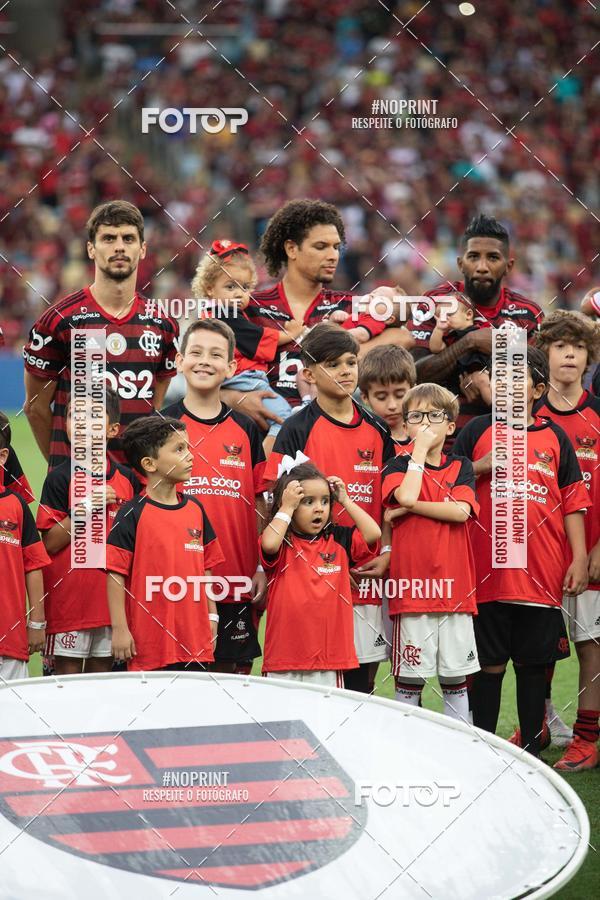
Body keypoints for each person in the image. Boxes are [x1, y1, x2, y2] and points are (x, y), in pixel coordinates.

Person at [454, 347, 590, 758]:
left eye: (518, 378)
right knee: (488, 667)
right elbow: (446, 481)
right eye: (499, 378)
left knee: (533, 669)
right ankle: (484, 749)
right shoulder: (475, 430)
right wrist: (478, 468)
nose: (507, 385)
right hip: (485, 576)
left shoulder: (555, 437)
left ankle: (530, 751)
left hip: (541, 575)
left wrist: (580, 557)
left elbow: (572, 501)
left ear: (538, 389)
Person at [263, 323, 395, 693]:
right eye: (333, 364)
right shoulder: (296, 428)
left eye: (351, 362)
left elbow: (388, 502)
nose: (345, 371)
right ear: (308, 373)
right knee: (311, 672)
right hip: (313, 569)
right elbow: (274, 500)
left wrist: (385, 550)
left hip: (364, 562)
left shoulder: (376, 427)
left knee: (362, 668)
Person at [220, 198, 406, 431]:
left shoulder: (349, 305)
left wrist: (334, 355)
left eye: (336, 247)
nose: (333, 256)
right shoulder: (250, 306)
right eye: (321, 247)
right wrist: (230, 398)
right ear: (291, 249)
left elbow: (403, 337)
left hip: (331, 433)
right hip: (265, 435)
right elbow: (209, 362)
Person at [23, 200, 179, 469]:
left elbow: (152, 407)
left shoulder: (163, 324)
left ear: (142, 250)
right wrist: (64, 469)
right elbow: (35, 408)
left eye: (128, 238)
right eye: (108, 238)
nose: (119, 246)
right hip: (78, 488)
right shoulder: (59, 320)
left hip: (137, 487)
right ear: (91, 249)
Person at [162, 318, 267, 676]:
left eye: (216, 354)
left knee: (232, 684)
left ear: (231, 367)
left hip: (235, 579)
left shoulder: (247, 429)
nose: (205, 361)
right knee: (180, 682)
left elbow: (260, 502)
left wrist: (259, 568)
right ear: (179, 360)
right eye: (196, 352)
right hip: (176, 583)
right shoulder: (162, 427)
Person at [381, 384, 480, 721]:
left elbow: (461, 512)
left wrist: (412, 510)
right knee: (411, 680)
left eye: (435, 416)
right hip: (412, 591)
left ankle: (462, 747)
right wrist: (418, 453)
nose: (425, 424)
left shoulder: (461, 466)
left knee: (455, 679)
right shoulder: (396, 466)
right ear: (406, 425)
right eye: (417, 417)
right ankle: (405, 749)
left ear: (451, 426)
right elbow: (405, 495)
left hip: (455, 591)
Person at [407, 214, 543, 443]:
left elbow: (536, 386)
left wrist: (482, 378)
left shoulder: (528, 313)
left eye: (492, 258)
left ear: (508, 265)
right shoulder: (434, 302)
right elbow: (415, 374)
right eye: (473, 257)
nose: (482, 267)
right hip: (439, 443)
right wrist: (470, 342)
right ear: (461, 263)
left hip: (505, 443)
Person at [36, 387, 141, 675]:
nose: (81, 421)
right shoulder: (59, 479)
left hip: (112, 610)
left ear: (112, 429)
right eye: (73, 415)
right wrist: (83, 510)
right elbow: (48, 544)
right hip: (68, 608)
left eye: (93, 415)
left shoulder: (128, 480)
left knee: (104, 693)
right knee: (64, 692)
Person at [535, 311, 600, 770]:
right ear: (545, 354)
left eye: (578, 347)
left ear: (589, 358)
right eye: (560, 346)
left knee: (591, 643)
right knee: (540, 644)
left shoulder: (599, 413)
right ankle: (536, 724)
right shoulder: (530, 416)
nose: (570, 353)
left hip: (591, 553)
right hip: (539, 557)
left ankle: (586, 737)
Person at [106, 416, 224, 671]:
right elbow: (115, 574)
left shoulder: (196, 508)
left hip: (194, 640)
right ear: (149, 463)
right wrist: (120, 629)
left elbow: (207, 567)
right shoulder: (131, 514)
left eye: (189, 448)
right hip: (148, 646)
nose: (190, 456)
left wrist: (212, 614)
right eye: (179, 449)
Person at [260, 462, 381, 687]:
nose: (319, 508)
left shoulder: (338, 540)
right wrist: (285, 508)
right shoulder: (282, 541)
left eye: (325, 501)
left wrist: (346, 500)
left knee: (326, 722)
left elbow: (373, 533)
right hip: (284, 659)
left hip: (329, 659)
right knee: (281, 722)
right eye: (308, 502)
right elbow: (268, 544)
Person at [192, 239, 304, 453]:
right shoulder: (224, 314)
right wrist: (291, 333)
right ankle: (266, 469)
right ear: (209, 289)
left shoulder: (211, 312)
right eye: (230, 286)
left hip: (231, 381)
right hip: (244, 380)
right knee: (284, 420)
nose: (238, 293)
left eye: (244, 287)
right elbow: (260, 339)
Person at [0, 411, 50, 681]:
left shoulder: (15, 506)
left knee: (15, 720)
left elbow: (34, 564)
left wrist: (36, 623)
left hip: (10, 641)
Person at [429, 296, 492, 405]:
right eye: (440, 316)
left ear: (468, 315)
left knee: (482, 380)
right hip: (459, 377)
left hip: (482, 370)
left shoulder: (482, 331)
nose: (444, 319)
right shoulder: (451, 337)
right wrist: (438, 329)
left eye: (449, 314)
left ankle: (498, 409)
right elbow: (435, 348)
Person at [358, 344, 416, 444]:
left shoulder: (427, 436)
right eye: (381, 397)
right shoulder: (361, 441)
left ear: (414, 391)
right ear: (365, 397)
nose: (392, 406)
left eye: (400, 395)